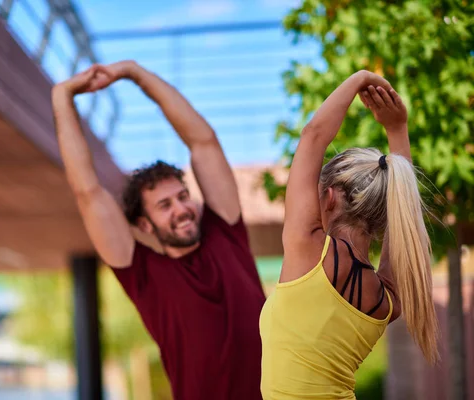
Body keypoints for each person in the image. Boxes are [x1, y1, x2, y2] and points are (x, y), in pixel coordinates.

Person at [51, 61, 266, 400]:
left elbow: (203, 141)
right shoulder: (143, 273)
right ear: (144, 225)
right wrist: (62, 96)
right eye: (165, 206)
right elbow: (87, 192)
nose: (181, 209)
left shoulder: (225, 228)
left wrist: (134, 73)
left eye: (182, 197)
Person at [259, 70, 439, 399]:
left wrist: (361, 78)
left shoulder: (308, 251)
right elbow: (406, 219)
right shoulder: (385, 300)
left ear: (328, 197)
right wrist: (397, 128)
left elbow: (314, 135)